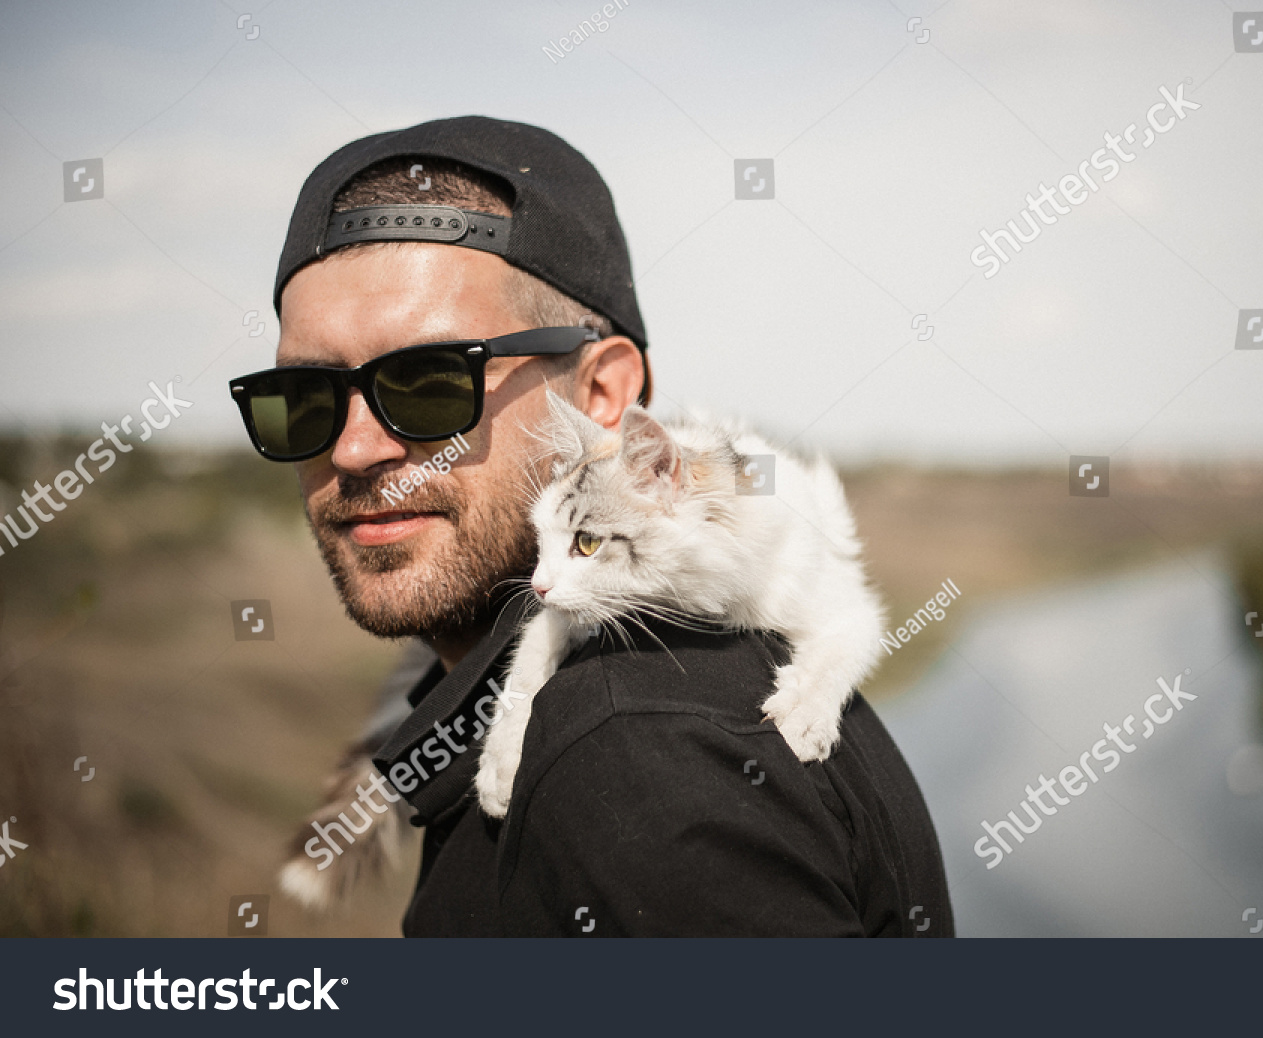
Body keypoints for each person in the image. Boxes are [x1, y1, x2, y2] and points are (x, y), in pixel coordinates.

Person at [231, 116, 953, 936]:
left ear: (602, 398)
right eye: (302, 401)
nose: (355, 449)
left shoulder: (635, 752)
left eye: (430, 383)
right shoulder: (596, 715)